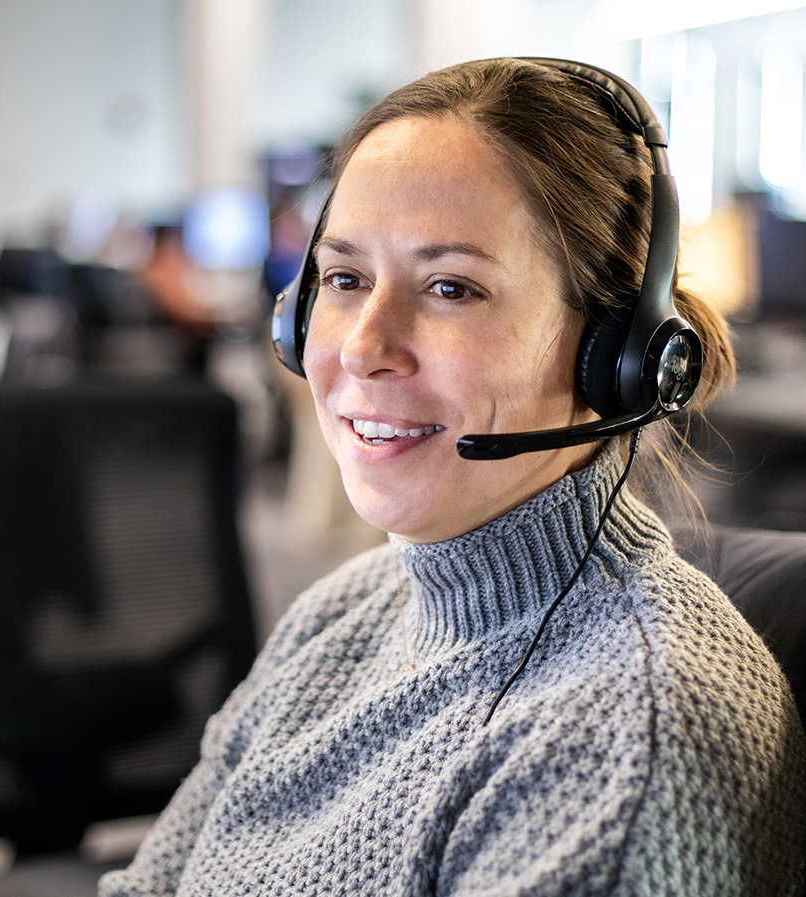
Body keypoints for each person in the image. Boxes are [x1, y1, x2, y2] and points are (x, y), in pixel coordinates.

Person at [99, 57, 806, 896]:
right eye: (346, 278)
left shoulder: (623, 741)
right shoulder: (343, 610)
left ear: (613, 355)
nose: (362, 345)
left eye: (450, 287)